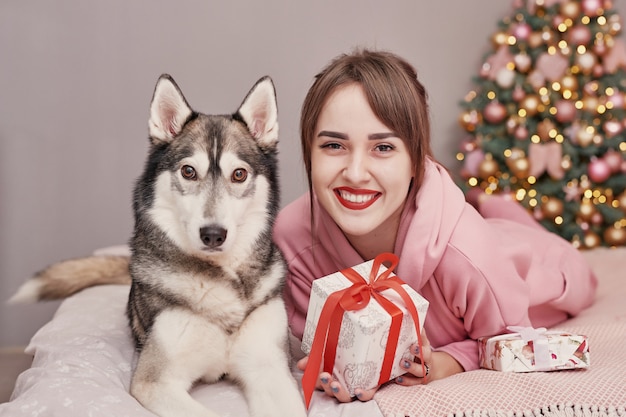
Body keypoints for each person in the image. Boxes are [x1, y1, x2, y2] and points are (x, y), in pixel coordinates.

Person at [273, 49, 598, 403]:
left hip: (526, 266)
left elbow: (510, 341)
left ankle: (503, 212)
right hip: (477, 241)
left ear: (416, 159)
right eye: (334, 145)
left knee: (565, 268)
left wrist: (445, 362)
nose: (354, 173)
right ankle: (496, 211)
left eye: (382, 147)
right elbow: (324, 338)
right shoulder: (293, 240)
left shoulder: (468, 256)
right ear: (309, 151)